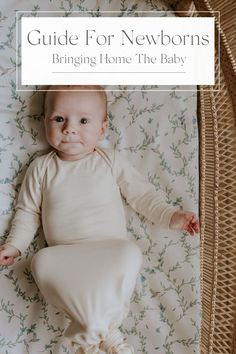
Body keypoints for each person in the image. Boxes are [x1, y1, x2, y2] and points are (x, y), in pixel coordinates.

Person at [0, 85, 199, 354]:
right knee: (41, 261)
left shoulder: (109, 160)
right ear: (45, 120)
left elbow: (142, 195)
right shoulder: (42, 168)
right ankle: (109, 335)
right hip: (65, 257)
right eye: (59, 119)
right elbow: (27, 211)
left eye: (83, 121)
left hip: (109, 252)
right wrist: (14, 245)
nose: (70, 128)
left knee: (129, 252)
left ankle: (89, 338)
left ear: (102, 129)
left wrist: (171, 217)